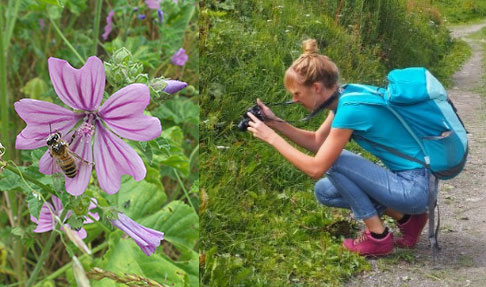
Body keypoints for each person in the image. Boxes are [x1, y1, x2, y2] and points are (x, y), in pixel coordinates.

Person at [246, 38, 431, 256]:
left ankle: (378, 237)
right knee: (324, 191)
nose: (295, 100)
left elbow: (316, 168)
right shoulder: (347, 96)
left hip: (414, 188)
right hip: (416, 183)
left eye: (297, 93)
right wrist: (274, 123)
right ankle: (408, 219)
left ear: (316, 87)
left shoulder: (350, 110)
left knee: (332, 161)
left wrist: (271, 138)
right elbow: (317, 141)